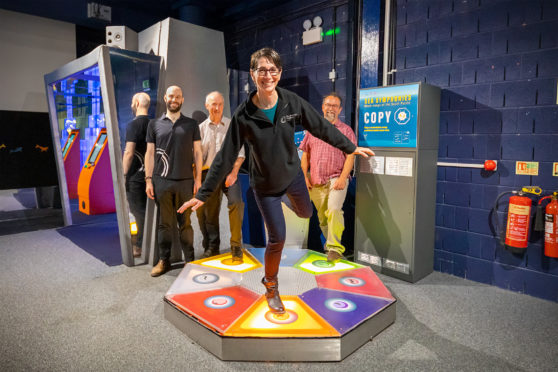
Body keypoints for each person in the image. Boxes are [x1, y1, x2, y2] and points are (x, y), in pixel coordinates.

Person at [178, 48, 374, 314]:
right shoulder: (243, 115)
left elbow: (320, 127)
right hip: (266, 188)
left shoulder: (292, 103)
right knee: (277, 238)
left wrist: (349, 147)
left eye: (272, 70)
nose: (267, 75)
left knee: (306, 213)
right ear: (252, 74)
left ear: (279, 74)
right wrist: (202, 194)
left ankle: (287, 199)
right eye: (261, 70)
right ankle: (270, 284)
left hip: (292, 177)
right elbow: (224, 158)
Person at [145, 85, 203, 277]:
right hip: (161, 182)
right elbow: (150, 153)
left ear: (182, 99)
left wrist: (198, 179)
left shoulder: (191, 124)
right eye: (171, 96)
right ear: (166, 98)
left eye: (178, 96)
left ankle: (190, 261)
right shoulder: (154, 124)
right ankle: (164, 261)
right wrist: (148, 180)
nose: (174, 99)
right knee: (164, 224)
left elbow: (197, 152)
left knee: (185, 223)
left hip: (186, 182)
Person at [300, 92, 356, 263]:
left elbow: (351, 155)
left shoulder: (346, 130)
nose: (331, 108)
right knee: (323, 217)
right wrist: (304, 177)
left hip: (336, 178)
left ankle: (334, 248)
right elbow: (305, 156)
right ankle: (330, 247)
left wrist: (343, 178)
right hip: (316, 180)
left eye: (334, 106)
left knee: (333, 209)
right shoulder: (312, 129)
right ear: (322, 107)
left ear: (339, 110)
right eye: (328, 105)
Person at [197, 91, 245, 262]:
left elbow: (240, 153)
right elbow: (197, 158)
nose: (217, 108)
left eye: (220, 104)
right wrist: (198, 180)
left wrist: (233, 173)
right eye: (213, 104)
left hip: (229, 172)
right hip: (208, 174)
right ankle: (213, 247)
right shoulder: (201, 129)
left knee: (236, 203)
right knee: (210, 213)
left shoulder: (232, 126)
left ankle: (236, 246)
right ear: (206, 106)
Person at [122, 92, 151, 258]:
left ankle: (140, 246)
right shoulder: (155, 123)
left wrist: (123, 175)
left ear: (138, 103)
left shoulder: (133, 125)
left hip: (136, 177)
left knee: (138, 212)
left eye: (133, 102)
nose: (132, 105)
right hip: (151, 176)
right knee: (148, 211)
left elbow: (129, 153)